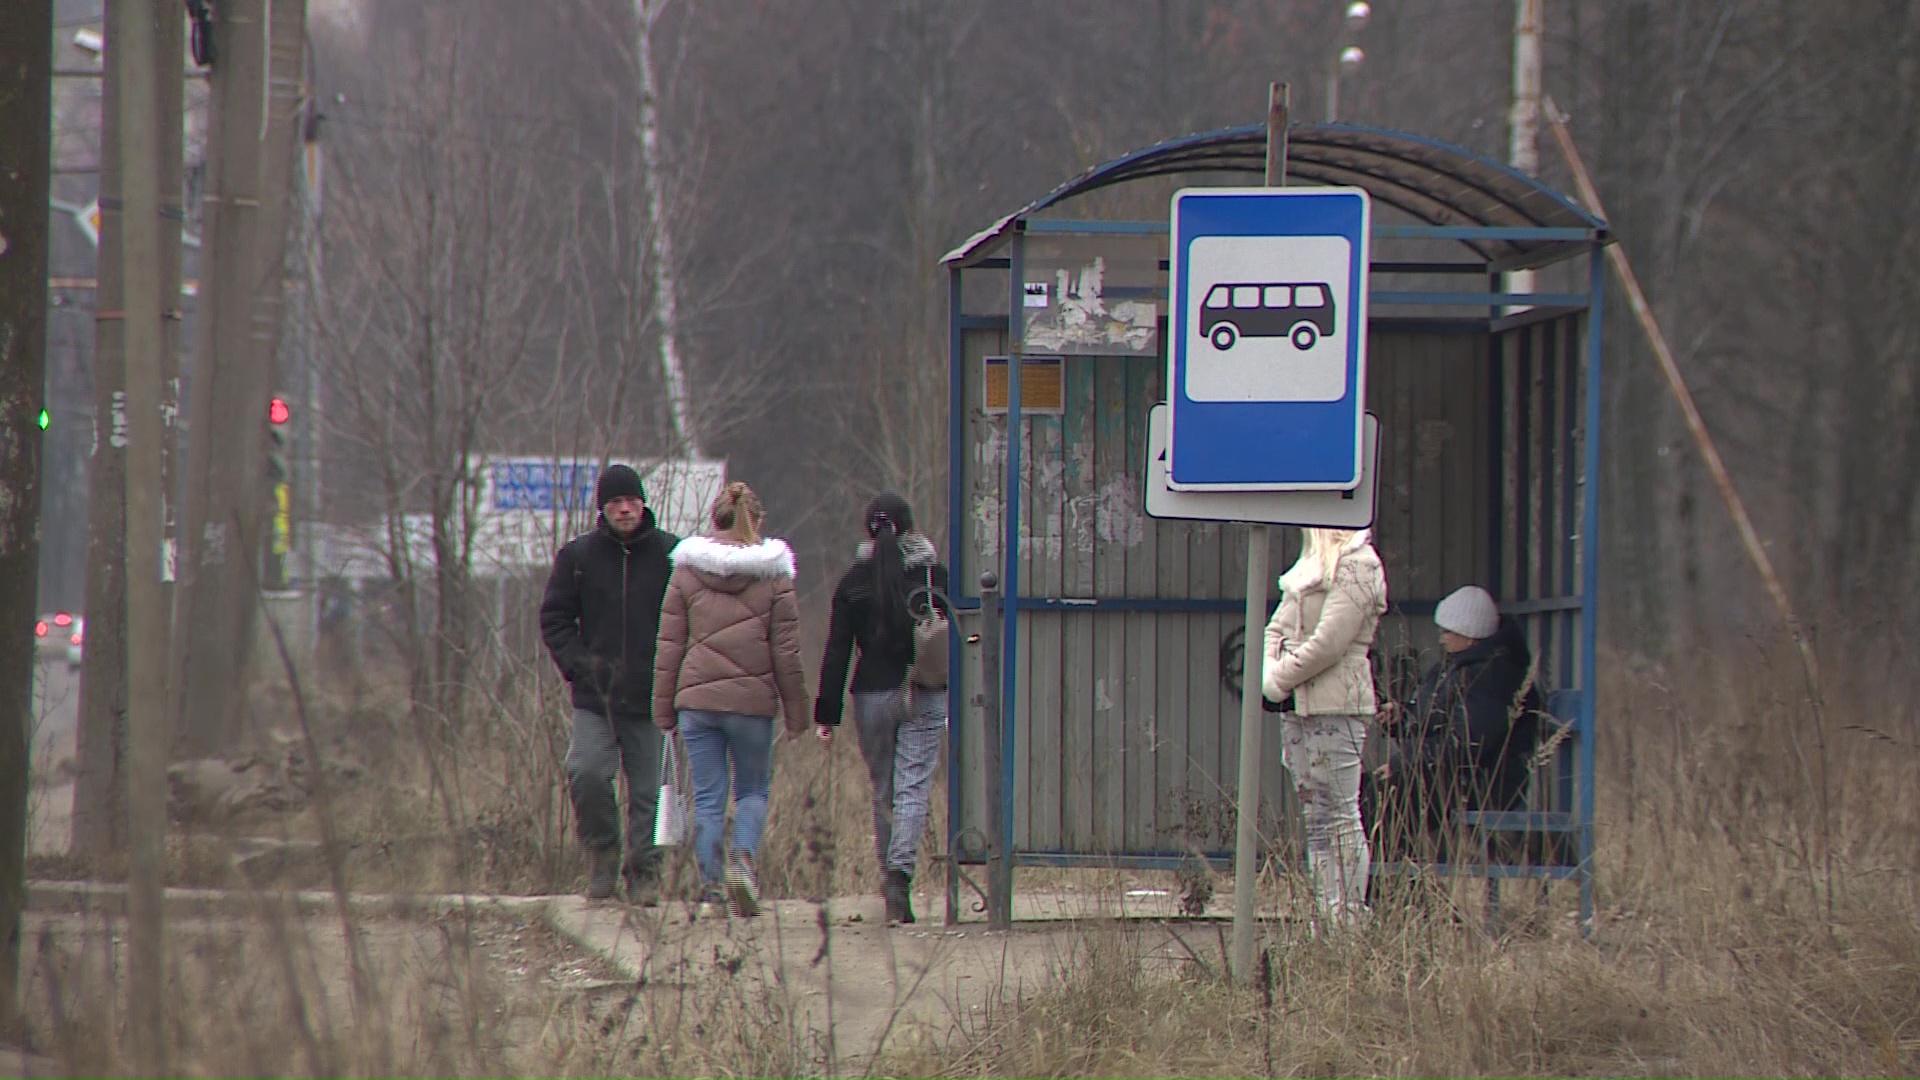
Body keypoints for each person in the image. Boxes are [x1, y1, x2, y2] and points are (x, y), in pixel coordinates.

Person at [653, 482, 810, 918]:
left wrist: (663, 709)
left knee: (707, 798)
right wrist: (798, 714)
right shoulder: (774, 577)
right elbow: (787, 654)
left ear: (712, 521)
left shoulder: (684, 572)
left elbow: (669, 647)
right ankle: (742, 862)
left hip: (696, 704)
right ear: (755, 523)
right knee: (753, 792)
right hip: (751, 705)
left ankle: (711, 893)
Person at [539, 464, 680, 903]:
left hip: (651, 696)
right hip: (594, 698)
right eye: (616, 502)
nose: (625, 509)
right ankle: (602, 855)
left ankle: (644, 876)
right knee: (587, 772)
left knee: (649, 794)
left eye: (632, 501)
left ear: (643, 503)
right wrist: (580, 665)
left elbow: (694, 617)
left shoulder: (672, 555)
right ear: (603, 507)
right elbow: (555, 618)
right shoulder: (578, 558)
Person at [814, 493, 950, 926]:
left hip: (870, 695)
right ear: (912, 528)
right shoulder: (935, 576)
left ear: (868, 531)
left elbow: (836, 651)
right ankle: (898, 881)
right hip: (925, 690)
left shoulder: (853, 581)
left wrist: (827, 713)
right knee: (913, 787)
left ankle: (888, 876)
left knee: (883, 789)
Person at [1262, 527, 1388, 931]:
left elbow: (1331, 643)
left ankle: (1347, 918)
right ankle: (1324, 914)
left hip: (1337, 703)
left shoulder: (1360, 564)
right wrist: (1271, 673)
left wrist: (1280, 679)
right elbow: (1274, 630)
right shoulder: (1309, 566)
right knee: (1315, 816)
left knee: (1340, 814)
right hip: (1299, 706)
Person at [1376, 585, 1542, 863]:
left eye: (1448, 632)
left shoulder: (1494, 677)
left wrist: (1402, 762)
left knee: (1378, 804)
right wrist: (1403, 717)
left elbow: (1464, 742)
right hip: (1450, 777)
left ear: (1470, 636)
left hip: (1479, 784)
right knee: (1373, 799)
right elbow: (1436, 718)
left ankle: (1403, 894)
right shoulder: (1458, 667)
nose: (1441, 639)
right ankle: (1400, 893)